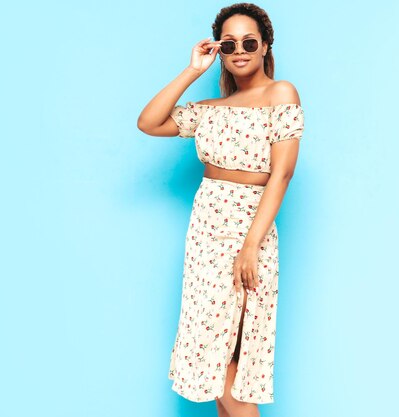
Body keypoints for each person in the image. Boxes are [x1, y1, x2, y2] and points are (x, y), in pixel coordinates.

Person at [137, 3, 304, 416]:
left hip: (251, 229)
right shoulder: (210, 109)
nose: (240, 50)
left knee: (240, 356)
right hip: (206, 231)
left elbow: (281, 175)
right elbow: (148, 122)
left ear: (265, 45)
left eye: (250, 42)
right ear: (220, 50)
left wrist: (251, 246)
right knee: (215, 355)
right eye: (230, 44)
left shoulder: (280, 93)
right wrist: (192, 70)